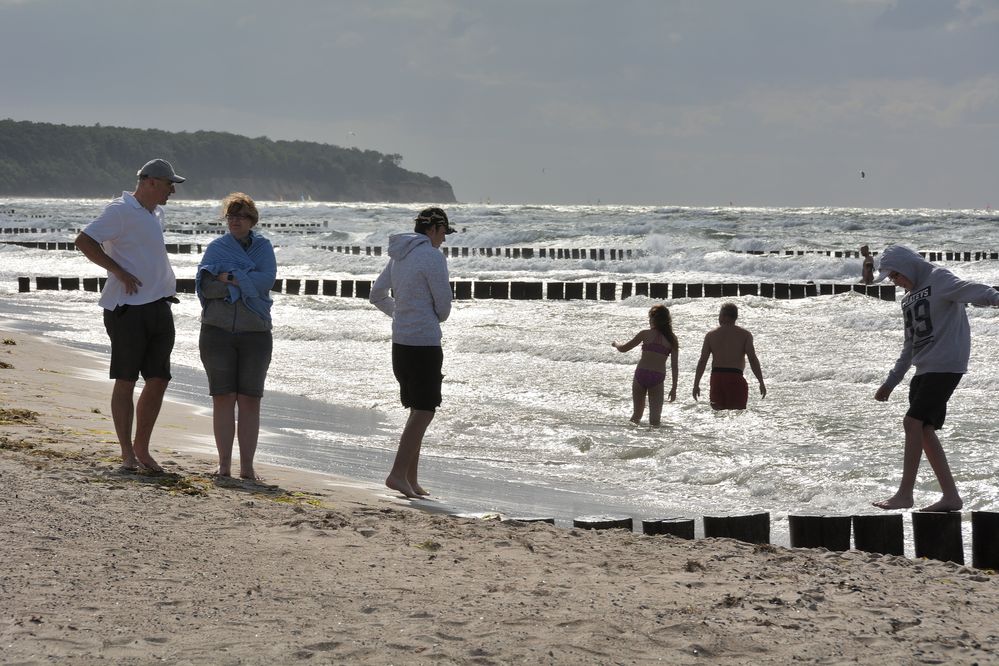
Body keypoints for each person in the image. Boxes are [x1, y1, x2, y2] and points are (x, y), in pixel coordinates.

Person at [74, 158, 185, 472]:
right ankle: (127, 454)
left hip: (160, 305)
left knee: (159, 378)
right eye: (169, 184)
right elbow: (84, 240)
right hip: (127, 309)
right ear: (150, 181)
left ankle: (142, 448)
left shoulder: (155, 213)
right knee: (126, 380)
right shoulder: (120, 210)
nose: (172, 191)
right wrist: (118, 271)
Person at [871, 245, 999, 512]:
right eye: (892, 279)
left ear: (908, 267)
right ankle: (951, 497)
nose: (896, 282)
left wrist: (994, 297)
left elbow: (971, 289)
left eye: (896, 275)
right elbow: (910, 345)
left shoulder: (939, 279)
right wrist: (891, 381)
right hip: (923, 369)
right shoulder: (908, 299)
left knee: (911, 422)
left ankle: (905, 494)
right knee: (924, 430)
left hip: (947, 364)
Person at [370, 207, 454, 499]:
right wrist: (424, 316)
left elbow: (376, 294)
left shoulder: (399, 254)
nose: (444, 239)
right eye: (444, 233)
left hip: (401, 343)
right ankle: (396, 474)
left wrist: (400, 314)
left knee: (416, 409)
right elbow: (443, 307)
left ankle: (411, 478)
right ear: (433, 228)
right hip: (424, 343)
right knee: (425, 411)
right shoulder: (432, 256)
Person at [195, 193, 276, 480]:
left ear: (252, 219)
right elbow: (205, 287)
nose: (235, 221)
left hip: (255, 331)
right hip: (216, 331)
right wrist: (237, 282)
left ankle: (247, 466)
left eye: (241, 216)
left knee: (250, 399)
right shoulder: (216, 248)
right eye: (231, 216)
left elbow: (267, 280)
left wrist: (228, 278)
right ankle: (224, 464)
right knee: (223, 398)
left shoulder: (264, 248)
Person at [612, 305, 679, 426]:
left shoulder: (644, 334)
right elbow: (675, 366)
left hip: (641, 374)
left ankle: (631, 441)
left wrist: (616, 343)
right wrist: (674, 388)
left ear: (653, 319)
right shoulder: (672, 339)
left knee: (636, 416)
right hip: (657, 377)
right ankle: (653, 444)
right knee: (655, 420)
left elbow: (623, 349)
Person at [692, 303, 766, 410]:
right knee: (737, 416)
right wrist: (761, 382)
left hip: (717, 378)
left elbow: (702, 361)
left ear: (723, 316)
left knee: (717, 415)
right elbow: (752, 359)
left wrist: (696, 385)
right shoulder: (745, 335)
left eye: (719, 315)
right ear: (735, 316)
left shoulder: (710, 335)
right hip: (735, 377)